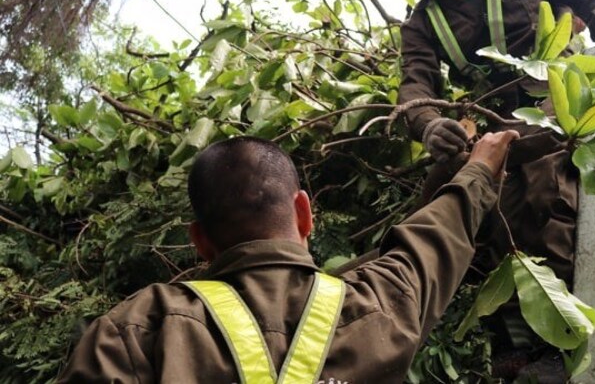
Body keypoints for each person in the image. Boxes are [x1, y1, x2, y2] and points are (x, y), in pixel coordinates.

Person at [376, 0, 595, 381]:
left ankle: (563, 344)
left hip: (557, 98)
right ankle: (523, 348)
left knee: (545, 192)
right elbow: (415, 91)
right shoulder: (421, 26)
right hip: (497, 121)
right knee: (495, 217)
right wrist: (429, 125)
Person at [58, 131, 519, 383]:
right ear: (304, 212)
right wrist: (480, 167)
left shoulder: (135, 331)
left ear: (199, 240)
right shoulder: (377, 299)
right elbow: (435, 236)